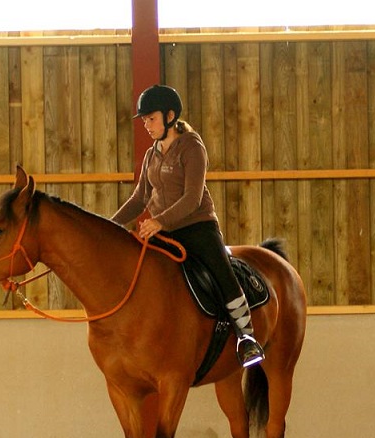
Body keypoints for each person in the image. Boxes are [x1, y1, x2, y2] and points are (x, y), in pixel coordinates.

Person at [112, 84, 265, 368]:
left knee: (222, 272)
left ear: (170, 116)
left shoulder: (192, 147)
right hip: (163, 231)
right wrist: (110, 226)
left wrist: (159, 221)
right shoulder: (151, 154)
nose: (147, 125)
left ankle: (246, 337)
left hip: (197, 226)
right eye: (144, 120)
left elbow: (192, 198)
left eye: (151, 119)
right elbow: (139, 198)